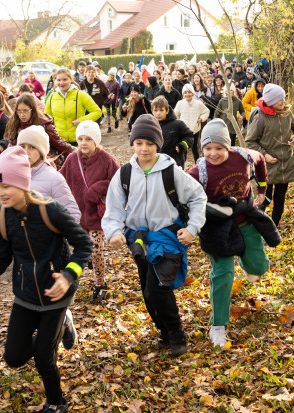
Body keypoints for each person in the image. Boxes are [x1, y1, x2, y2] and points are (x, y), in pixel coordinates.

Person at [0, 147, 92, 413]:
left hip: (56, 295)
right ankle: (56, 333)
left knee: (44, 356)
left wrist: (69, 275)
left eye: (5, 185)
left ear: (22, 183)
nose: (0, 192)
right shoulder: (1, 217)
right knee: (14, 357)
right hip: (26, 295)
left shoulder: (50, 210)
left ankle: (56, 403)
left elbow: (84, 245)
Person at [102, 114, 206, 357]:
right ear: (132, 144)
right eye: (139, 143)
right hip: (139, 241)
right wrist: (115, 231)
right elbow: (114, 207)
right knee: (147, 291)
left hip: (168, 239)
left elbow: (198, 196)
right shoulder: (125, 173)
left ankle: (177, 332)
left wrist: (192, 228)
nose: (144, 148)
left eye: (149, 143)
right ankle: (164, 331)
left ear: (158, 144)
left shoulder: (171, 171)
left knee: (157, 289)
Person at [188, 119, 279, 348]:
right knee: (224, 274)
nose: (213, 153)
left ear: (228, 146)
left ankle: (249, 264)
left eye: (219, 148)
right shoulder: (198, 171)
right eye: (208, 148)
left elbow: (260, 162)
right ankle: (218, 326)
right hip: (217, 228)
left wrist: (262, 188)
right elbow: (185, 198)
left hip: (245, 219)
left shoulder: (244, 156)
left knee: (259, 267)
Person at [59, 120, 119, 302]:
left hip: (97, 216)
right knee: (77, 249)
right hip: (76, 215)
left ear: (96, 140)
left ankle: (100, 284)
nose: (83, 143)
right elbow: (59, 179)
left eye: (88, 139)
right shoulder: (71, 159)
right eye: (80, 139)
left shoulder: (106, 160)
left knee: (96, 249)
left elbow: (118, 182)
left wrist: (98, 188)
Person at [244, 84, 294, 227]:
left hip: (286, 163)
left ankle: (274, 226)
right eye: (279, 100)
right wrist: (265, 156)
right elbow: (250, 141)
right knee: (265, 199)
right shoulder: (261, 118)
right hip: (268, 166)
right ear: (270, 101)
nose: (283, 101)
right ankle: (260, 226)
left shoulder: (287, 114)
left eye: (283, 98)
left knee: (280, 198)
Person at [17, 126, 81, 222]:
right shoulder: (13, 176)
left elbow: (73, 214)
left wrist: (53, 234)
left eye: (32, 147)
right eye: (22, 146)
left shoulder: (54, 178)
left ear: (41, 151)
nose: (26, 152)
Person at [5, 93, 75, 165]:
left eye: (25, 111)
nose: (22, 114)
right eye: (19, 111)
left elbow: (60, 144)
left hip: (45, 163)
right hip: (23, 164)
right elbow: (12, 144)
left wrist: (78, 151)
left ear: (32, 109)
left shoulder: (45, 125)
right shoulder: (15, 124)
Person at [44, 67, 101, 145]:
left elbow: (97, 112)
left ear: (71, 79)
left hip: (78, 140)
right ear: (55, 81)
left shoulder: (80, 95)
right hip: (59, 141)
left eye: (65, 79)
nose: (61, 83)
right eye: (58, 80)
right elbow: (47, 118)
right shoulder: (52, 97)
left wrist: (81, 121)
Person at [151, 96, 192, 168]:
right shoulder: (151, 125)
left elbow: (190, 137)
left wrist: (183, 145)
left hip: (175, 163)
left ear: (167, 111)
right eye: (156, 110)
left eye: (161, 110)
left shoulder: (178, 124)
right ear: (152, 111)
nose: (158, 113)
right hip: (156, 163)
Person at [174, 84, 209, 164]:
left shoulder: (198, 104)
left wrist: (201, 119)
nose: (187, 94)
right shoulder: (180, 103)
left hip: (195, 129)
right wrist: (178, 123)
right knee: (184, 147)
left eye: (189, 92)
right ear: (183, 94)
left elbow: (206, 111)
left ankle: (197, 163)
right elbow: (175, 114)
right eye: (185, 93)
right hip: (183, 130)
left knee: (194, 147)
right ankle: (184, 163)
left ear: (193, 93)